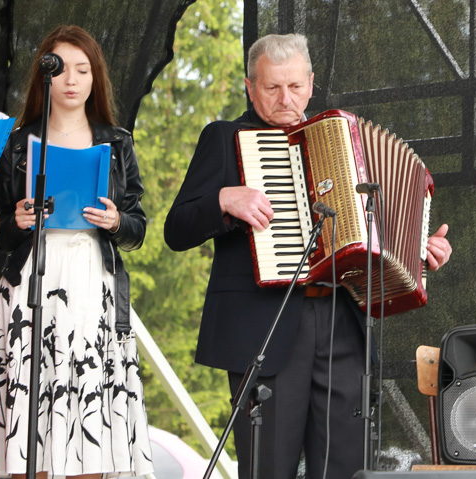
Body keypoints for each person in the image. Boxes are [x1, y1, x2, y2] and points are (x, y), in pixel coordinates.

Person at [165, 33, 452, 479]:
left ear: (312, 83)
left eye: (295, 87)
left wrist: (418, 252)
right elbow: (176, 229)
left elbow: (371, 234)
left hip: (342, 324)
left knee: (345, 469)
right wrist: (223, 198)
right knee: (270, 469)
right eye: (272, 87)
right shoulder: (226, 138)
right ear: (249, 87)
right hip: (268, 327)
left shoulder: (341, 142)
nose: (285, 99)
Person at [0, 25, 153, 478]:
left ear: (94, 78)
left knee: (90, 428)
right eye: (60, 69)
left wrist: (116, 221)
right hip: (32, 286)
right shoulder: (18, 142)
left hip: (91, 285)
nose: (71, 79)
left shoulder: (117, 141)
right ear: (45, 78)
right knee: (33, 432)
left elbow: (138, 226)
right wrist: (17, 220)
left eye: (82, 69)